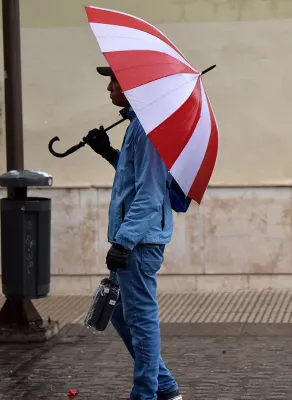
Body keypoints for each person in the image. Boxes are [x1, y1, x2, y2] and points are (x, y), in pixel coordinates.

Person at [84, 66, 182, 400]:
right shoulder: (137, 126)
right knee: (121, 315)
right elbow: (133, 179)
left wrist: (124, 241)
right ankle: (164, 386)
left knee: (140, 318)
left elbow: (151, 194)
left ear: (135, 87)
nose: (109, 88)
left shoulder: (149, 130)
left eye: (115, 81)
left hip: (140, 243)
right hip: (132, 240)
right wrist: (107, 152)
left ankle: (146, 393)